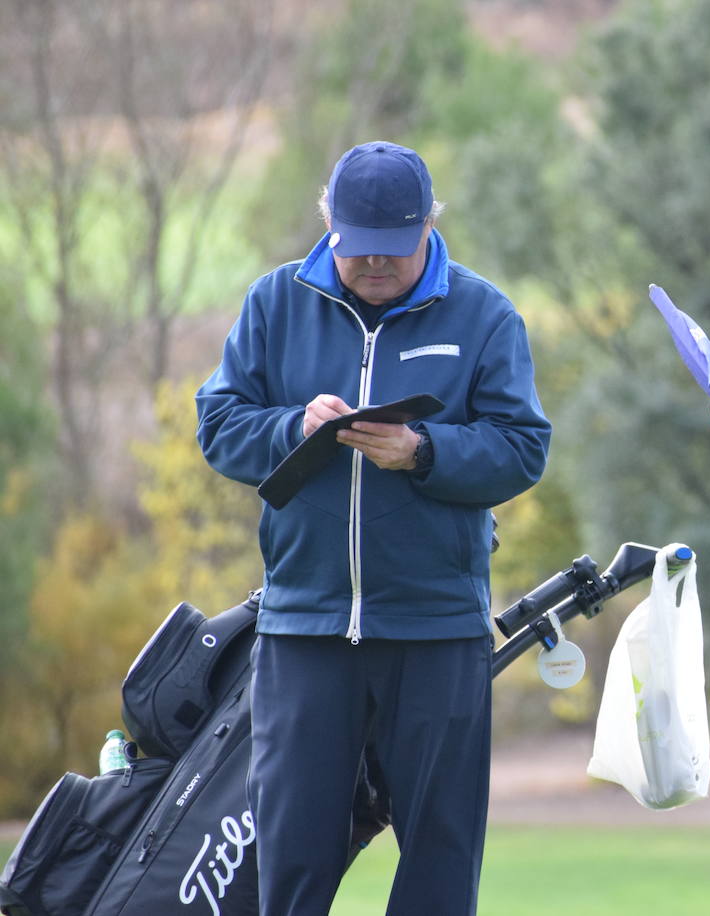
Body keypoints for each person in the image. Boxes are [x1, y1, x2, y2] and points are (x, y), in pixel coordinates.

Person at [195, 140, 551, 916]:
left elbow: (524, 448)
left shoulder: (484, 314)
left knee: (440, 860)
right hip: (305, 626)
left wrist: (425, 452)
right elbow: (218, 424)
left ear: (430, 225)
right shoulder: (275, 302)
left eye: (396, 248)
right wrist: (293, 429)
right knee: (290, 859)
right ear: (329, 223)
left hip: (436, 629)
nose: (377, 265)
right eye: (360, 250)